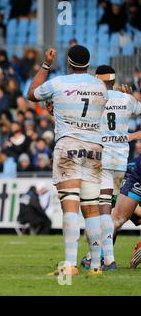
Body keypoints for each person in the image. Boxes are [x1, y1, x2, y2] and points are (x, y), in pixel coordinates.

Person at [27, 45, 109, 276]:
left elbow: (31, 93)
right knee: (91, 208)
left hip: (69, 146)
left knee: (70, 205)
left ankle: (71, 265)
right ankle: (95, 267)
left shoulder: (59, 83)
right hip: (94, 148)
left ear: (69, 63)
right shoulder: (100, 86)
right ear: (88, 63)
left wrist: (46, 65)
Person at [80, 65, 141, 271]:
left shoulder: (94, 99)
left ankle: (105, 259)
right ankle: (97, 256)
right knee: (115, 213)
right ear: (114, 81)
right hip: (122, 164)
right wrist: (130, 97)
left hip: (102, 163)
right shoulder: (127, 99)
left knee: (104, 212)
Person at [111, 156, 141, 269]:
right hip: (122, 196)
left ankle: (100, 256)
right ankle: (101, 256)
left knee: (116, 220)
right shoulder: (128, 166)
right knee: (115, 219)